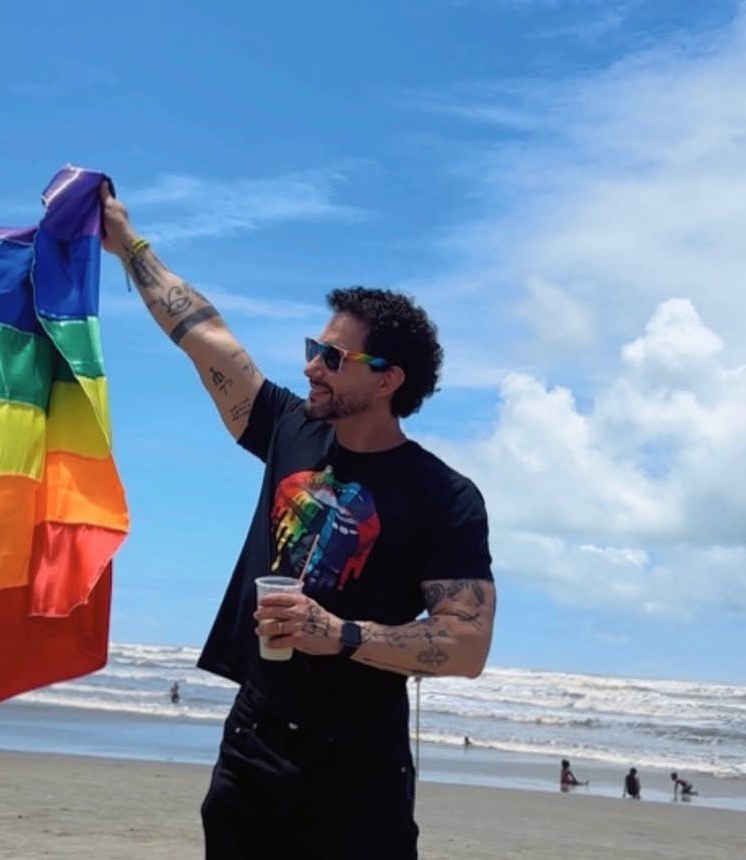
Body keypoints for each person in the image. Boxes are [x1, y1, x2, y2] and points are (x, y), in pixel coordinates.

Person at [100, 185, 496, 860]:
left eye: (333, 358)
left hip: (360, 766)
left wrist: (336, 633)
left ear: (388, 380)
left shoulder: (445, 496)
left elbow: (466, 644)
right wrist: (129, 245)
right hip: (254, 742)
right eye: (316, 346)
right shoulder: (290, 429)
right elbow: (205, 338)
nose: (312, 365)